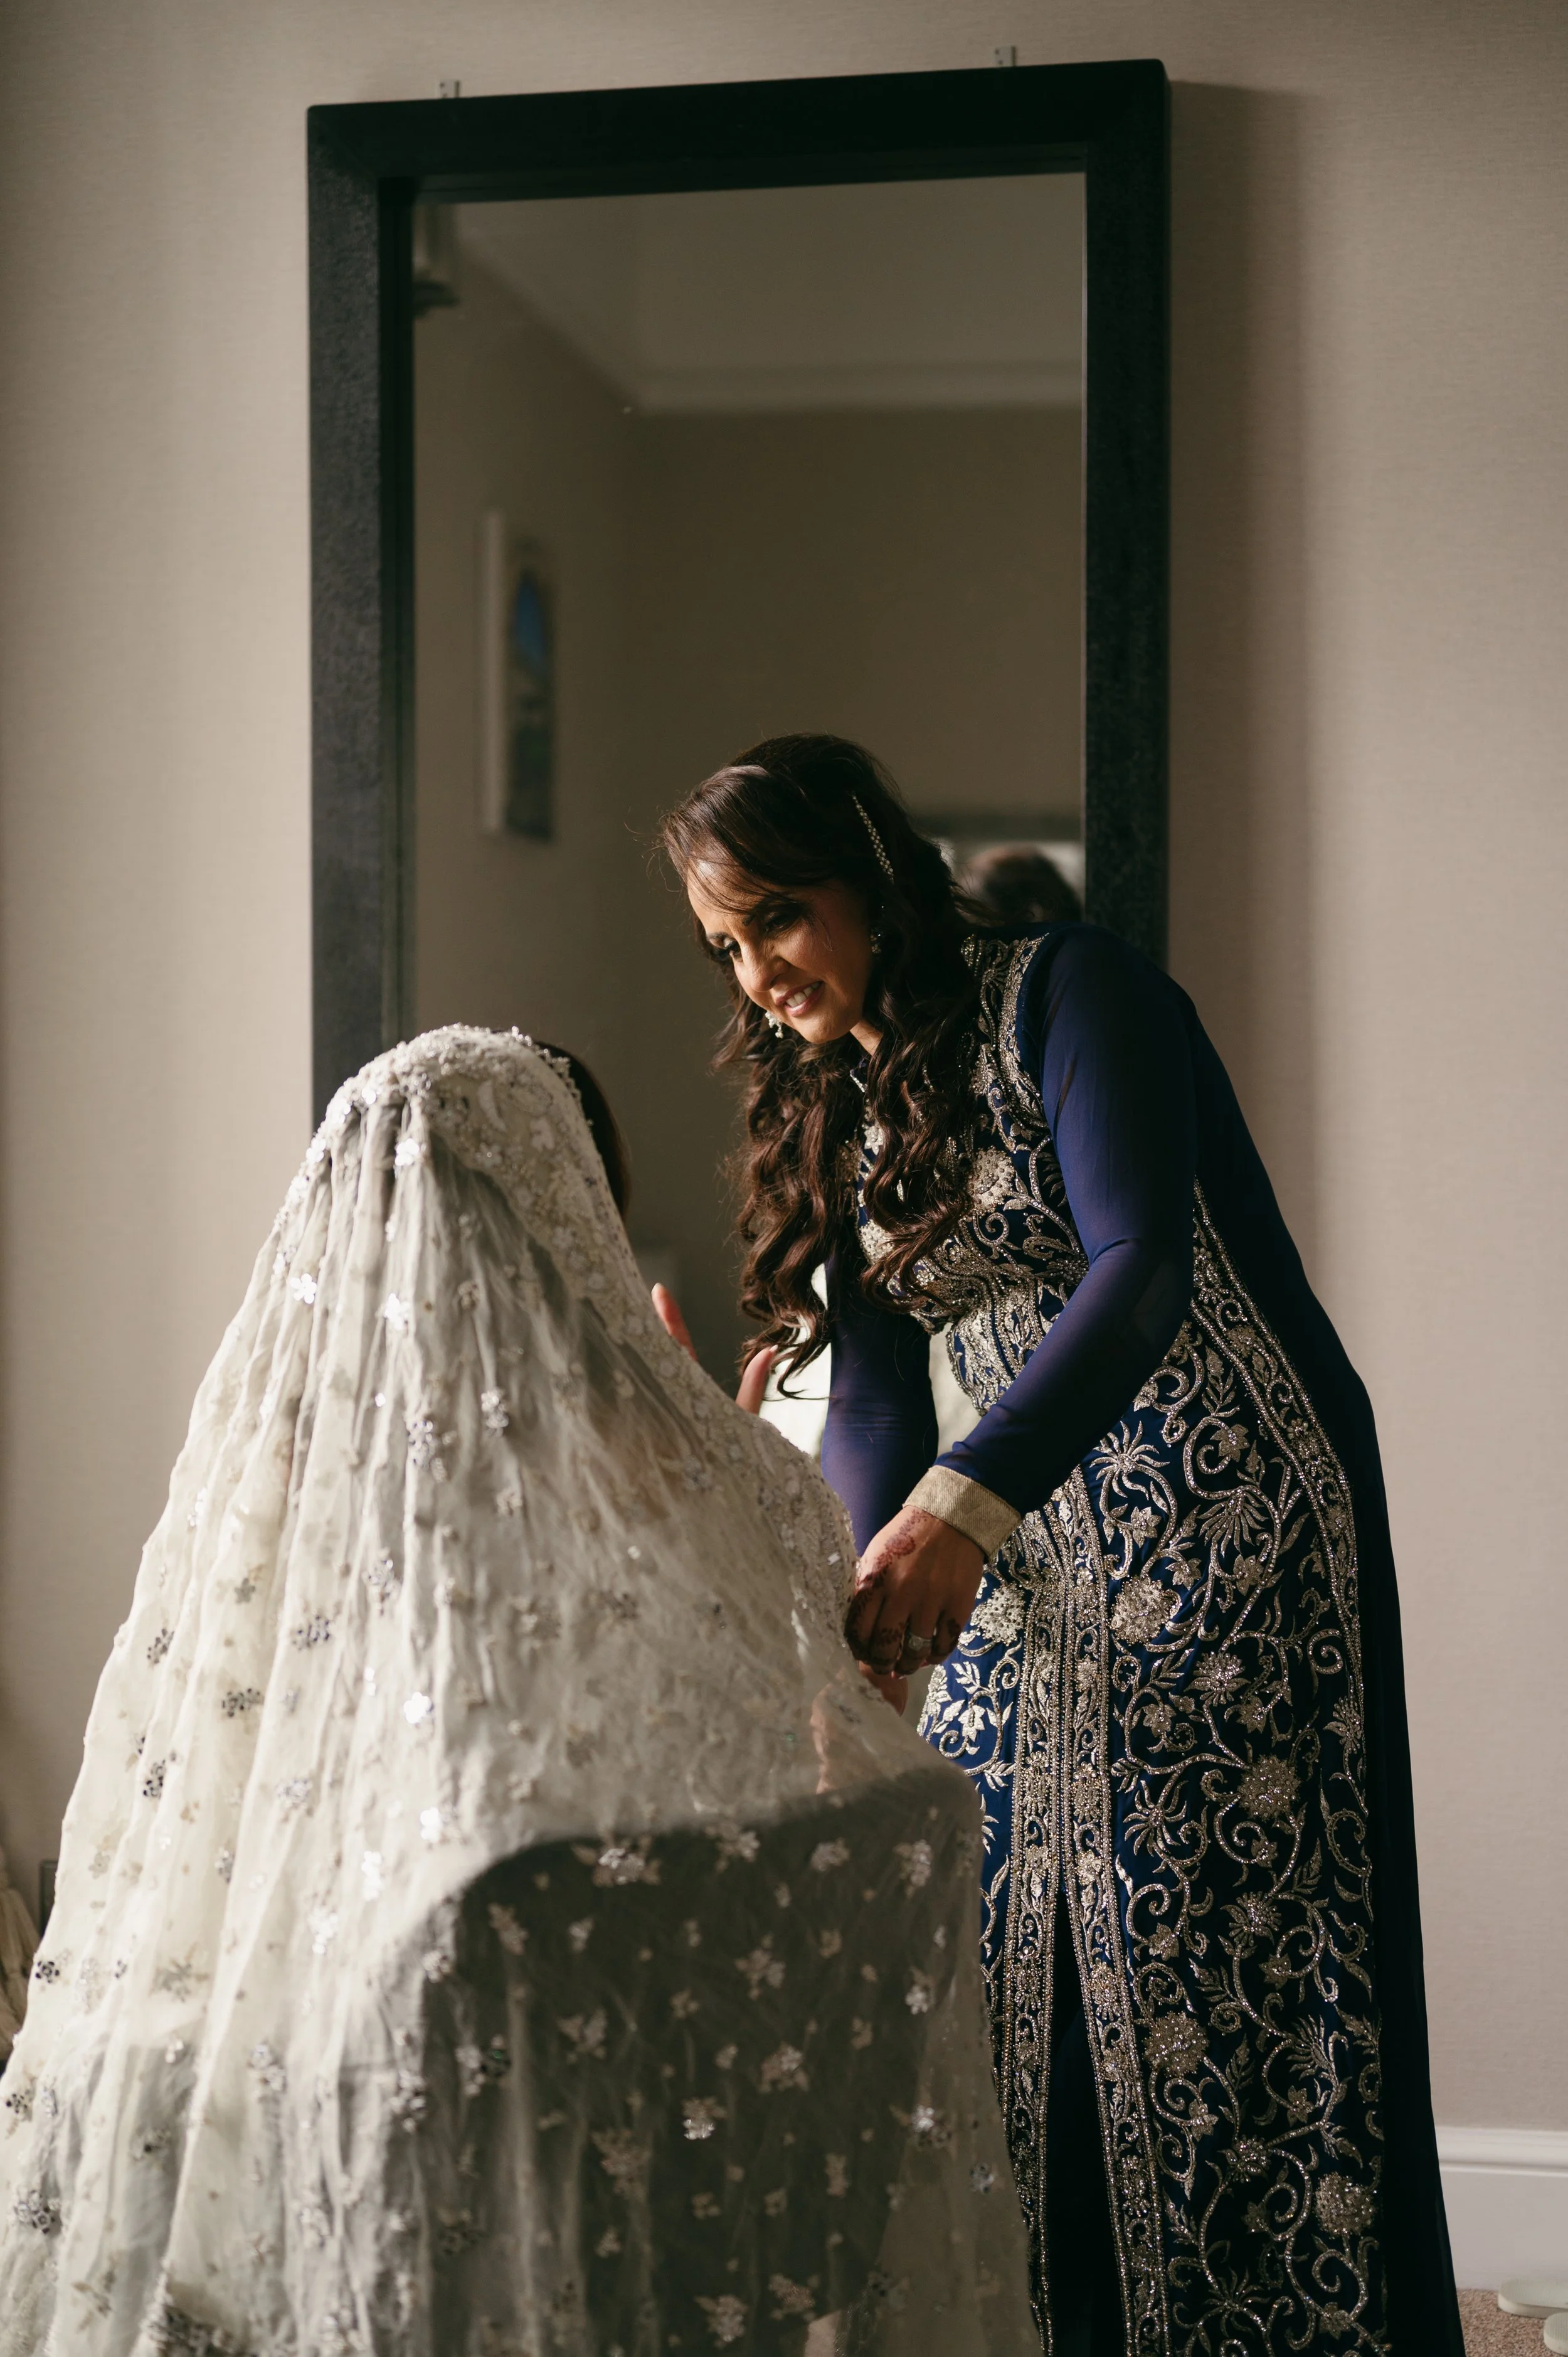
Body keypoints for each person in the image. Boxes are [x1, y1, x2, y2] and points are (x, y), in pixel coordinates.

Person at [0, 1026, 1030, 2357]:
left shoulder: (305, 1518)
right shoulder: (753, 1488)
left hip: (489, 2079)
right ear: (576, 1210)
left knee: (126, 2104)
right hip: (674, 2131)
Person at [659, 735, 1465, 2357]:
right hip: (1017, 1534)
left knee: (1208, 1926)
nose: (758, 974)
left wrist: (962, 1506)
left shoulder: (1068, 990)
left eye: (779, 918)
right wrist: (863, 1595)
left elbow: (1139, 1265)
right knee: (1003, 1918)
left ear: (871, 873)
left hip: (1220, 1508)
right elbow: (877, 1386)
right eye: (725, 948)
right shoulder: (835, 1096)